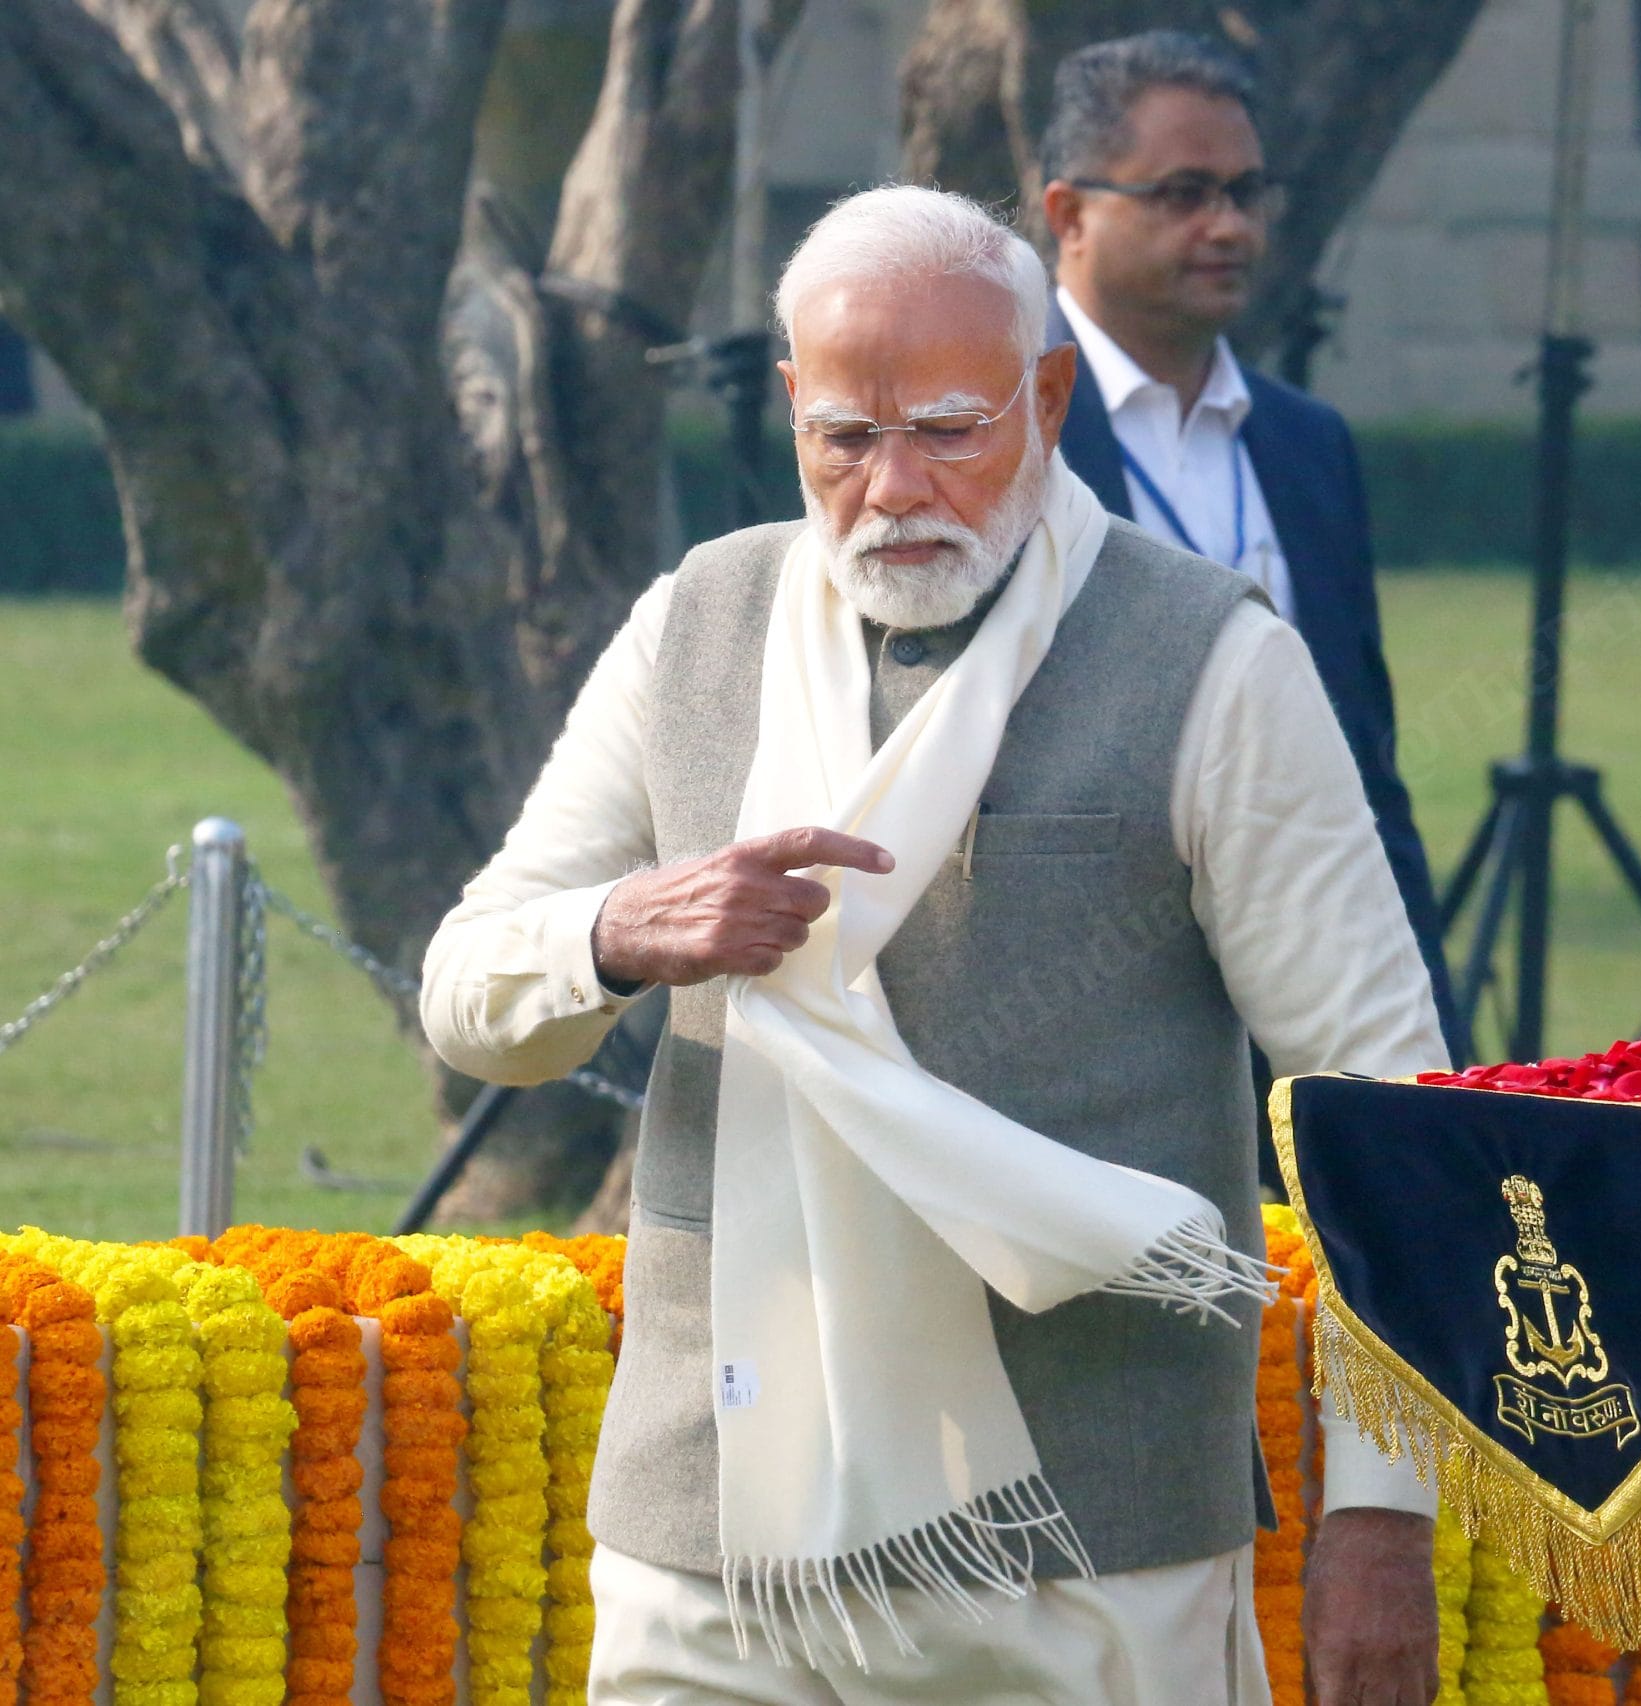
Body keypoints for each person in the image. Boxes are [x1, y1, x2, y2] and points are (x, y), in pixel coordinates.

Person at [420, 185, 1443, 1706]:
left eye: (950, 430)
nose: (893, 487)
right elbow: (467, 994)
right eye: (844, 436)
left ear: (1046, 395)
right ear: (786, 411)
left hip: (1088, 1544)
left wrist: (1381, 1518)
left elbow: (1383, 1112)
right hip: (711, 1536)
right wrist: (622, 930)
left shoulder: (1214, 659)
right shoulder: (693, 623)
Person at [1038, 30, 1465, 1064]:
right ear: (1068, 214)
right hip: (1089, 1011)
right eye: (1182, 192)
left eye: (1243, 191)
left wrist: (1436, 1042)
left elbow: (1367, 763)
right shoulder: (1005, 439)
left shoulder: (1307, 442)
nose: (1226, 225)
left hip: (1316, 1000)